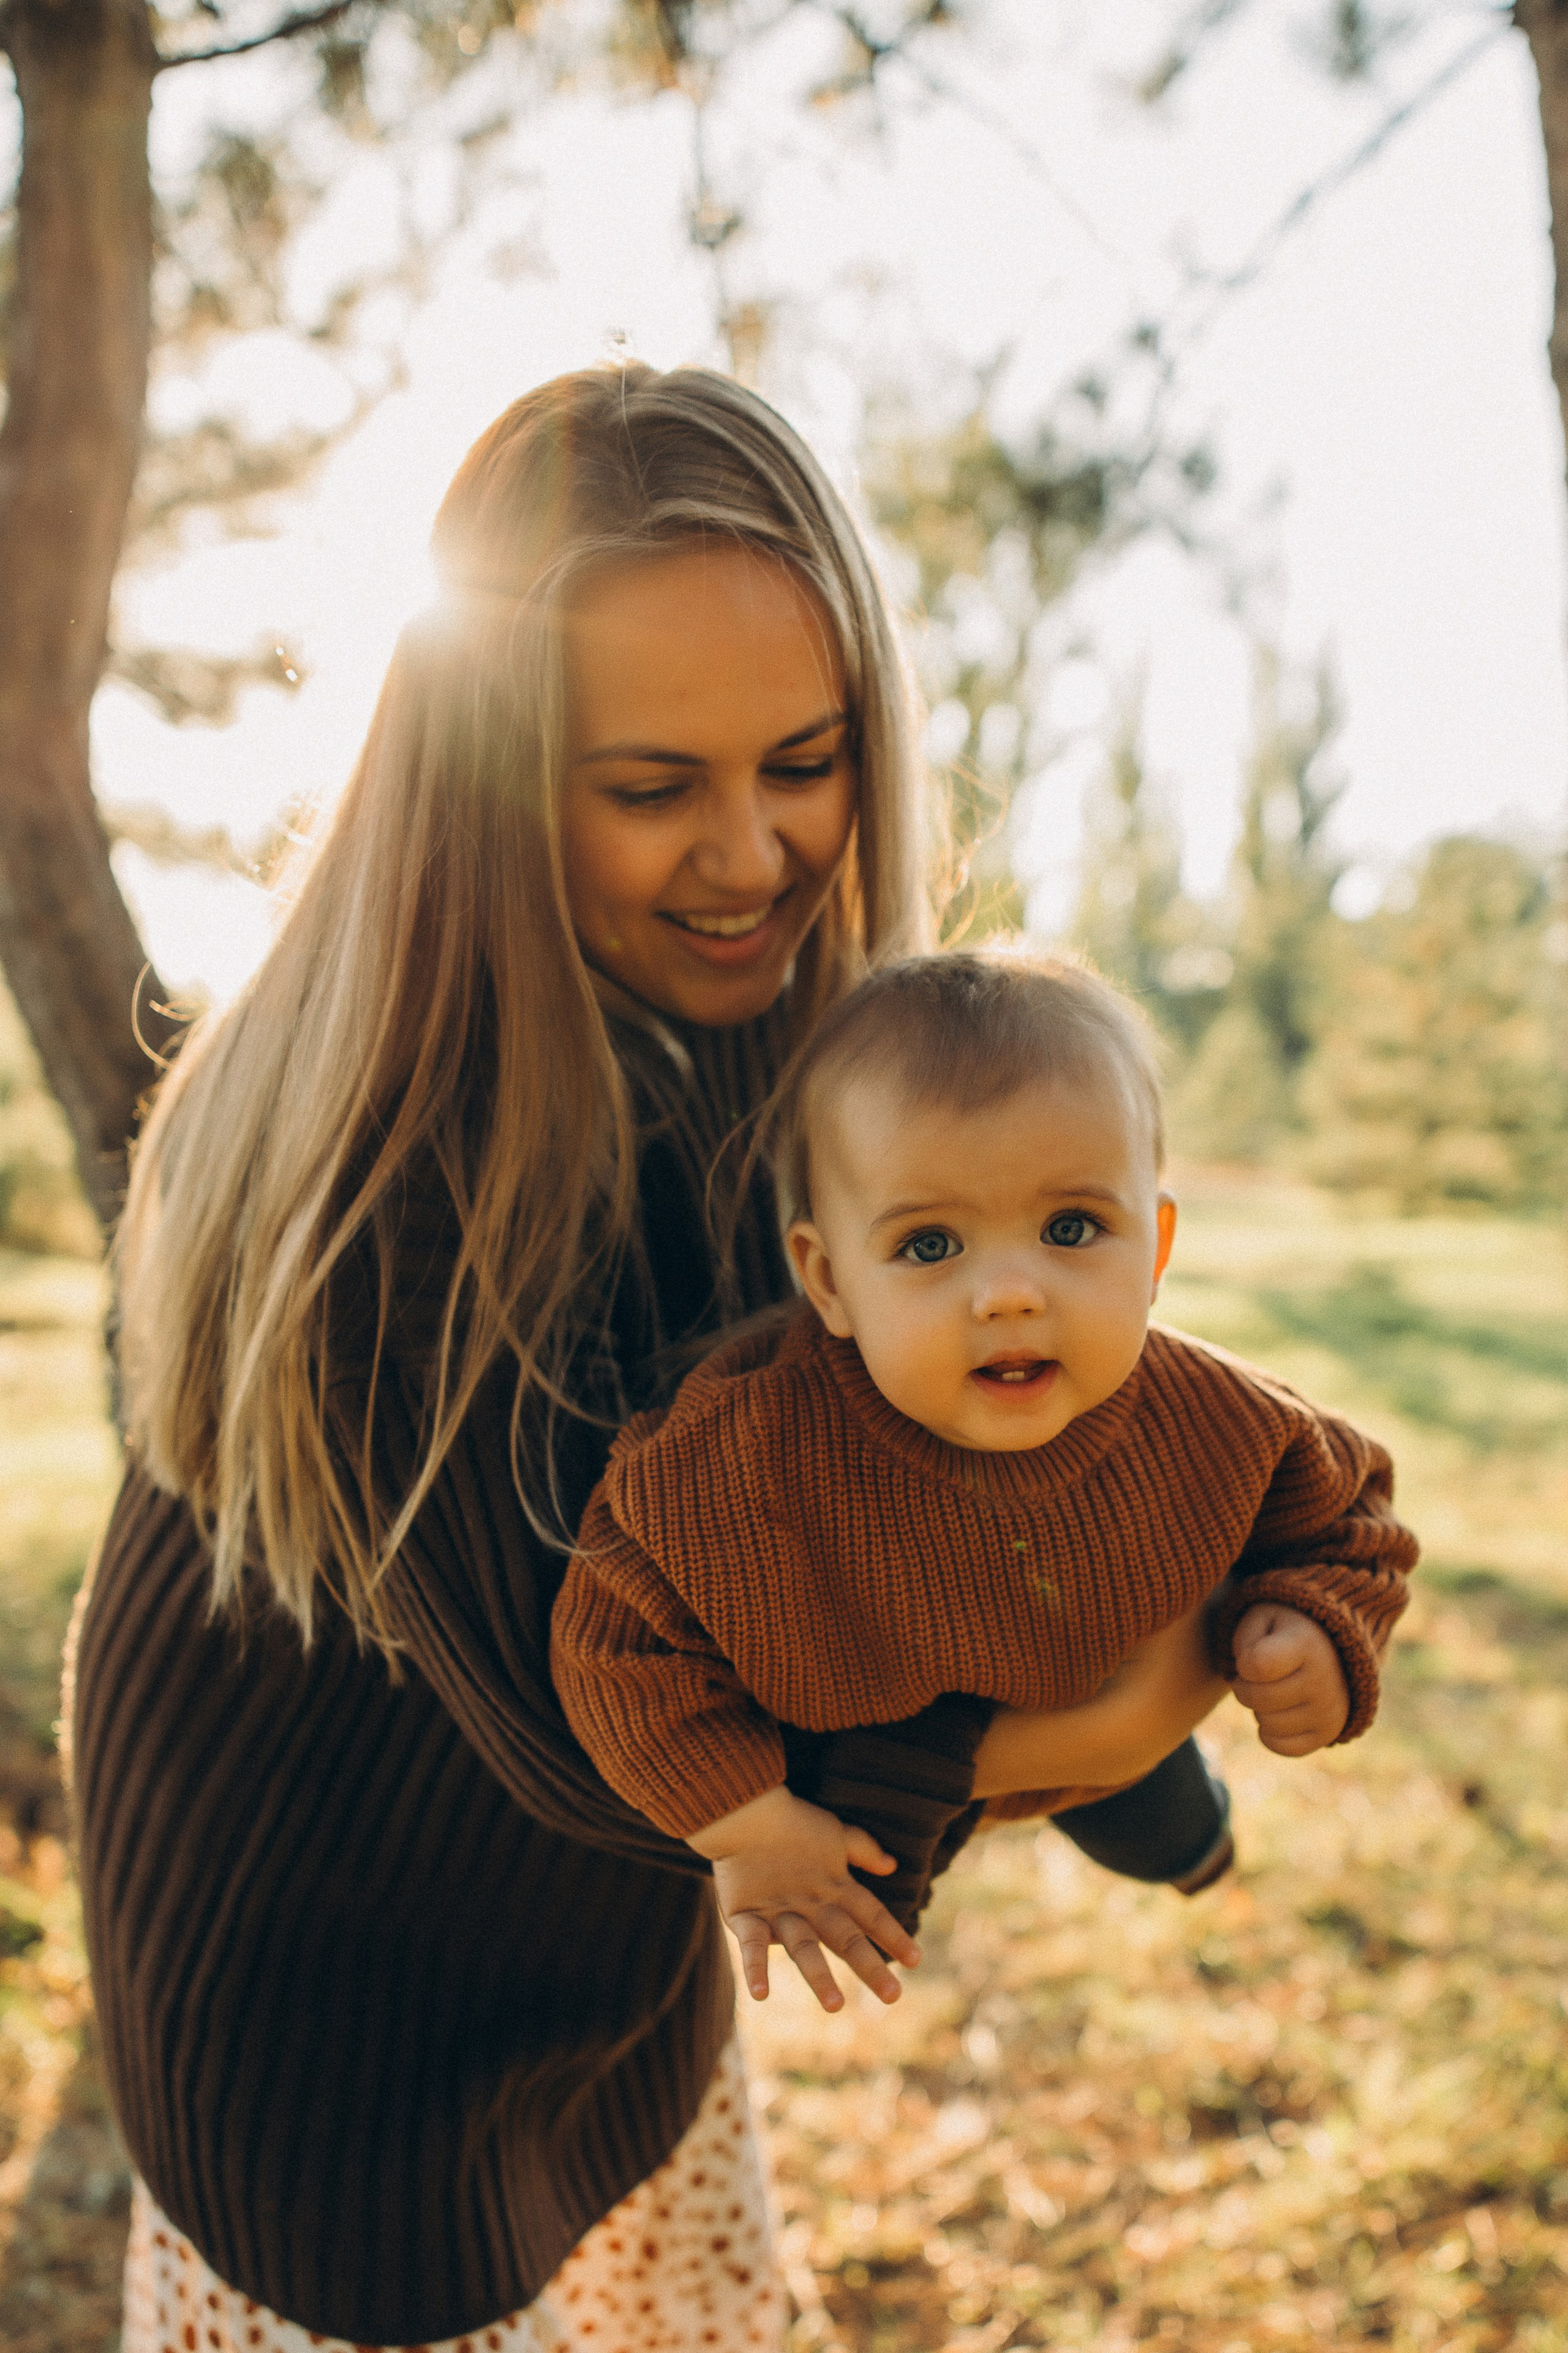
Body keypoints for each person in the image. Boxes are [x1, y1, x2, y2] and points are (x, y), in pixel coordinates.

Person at [68, 364, 1230, 2353]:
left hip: (581, 1966)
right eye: (650, 786)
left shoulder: (762, 1046)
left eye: (807, 757)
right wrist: (1097, 1738)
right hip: (333, 2007)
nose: (754, 855)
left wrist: (1144, 1688)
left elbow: (877, 1464)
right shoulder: (389, 1174)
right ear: (489, 773)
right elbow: (626, 1735)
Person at [552, 951, 1419, 2010]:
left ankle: (1201, 1849)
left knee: (1162, 1825)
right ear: (829, 1281)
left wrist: (1319, 1624)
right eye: (930, 1244)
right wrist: (748, 1822)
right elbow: (618, 1639)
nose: (1009, 1292)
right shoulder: (739, 1457)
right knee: (870, 1891)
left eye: (1070, 1229)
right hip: (881, 1742)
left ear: (1156, 1247)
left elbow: (1351, 1511)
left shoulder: (1220, 1415)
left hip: (1102, 1695)